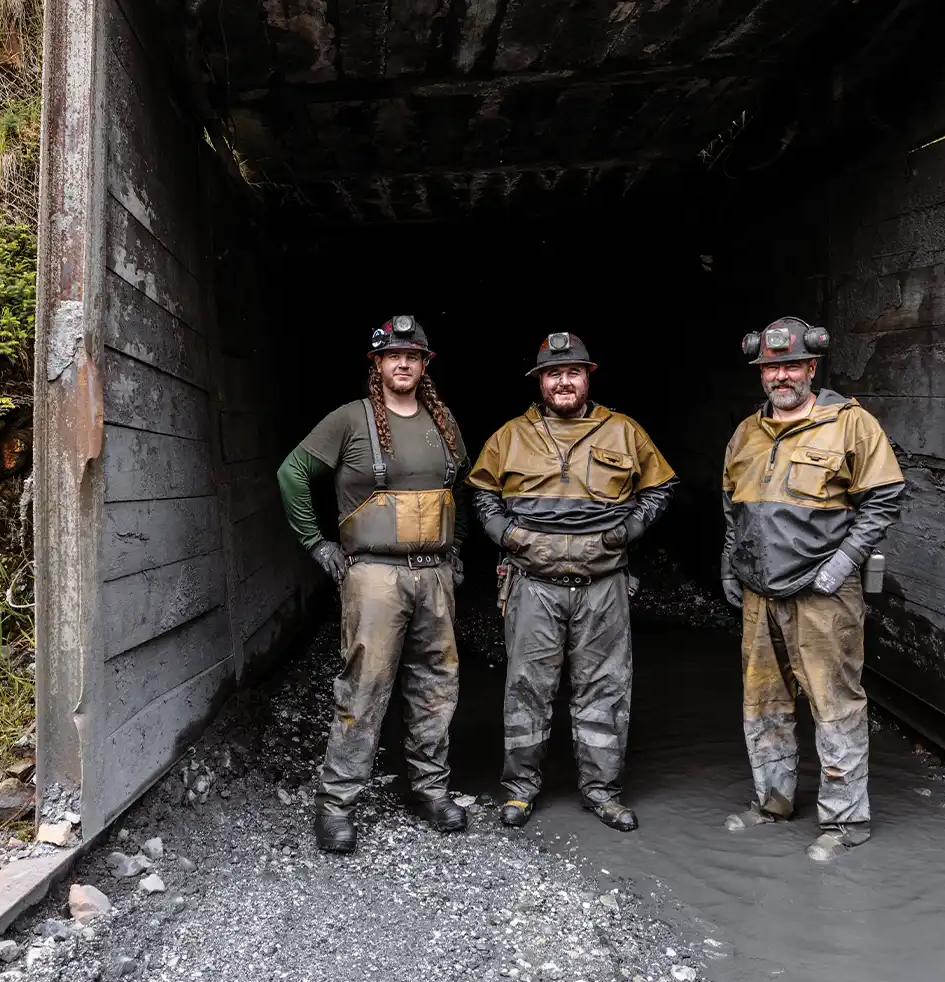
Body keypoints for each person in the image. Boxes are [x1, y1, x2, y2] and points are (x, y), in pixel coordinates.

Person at [469, 332, 678, 832]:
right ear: (540, 382)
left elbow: (662, 485)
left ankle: (601, 792)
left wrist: (629, 529)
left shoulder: (624, 431)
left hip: (603, 584)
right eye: (553, 374)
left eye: (573, 372)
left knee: (605, 686)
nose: (563, 381)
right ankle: (521, 790)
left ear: (588, 377)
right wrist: (509, 535)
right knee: (527, 687)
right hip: (532, 582)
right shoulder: (509, 436)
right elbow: (480, 493)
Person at [277, 316, 469, 856]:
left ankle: (429, 792)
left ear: (425, 364)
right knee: (364, 687)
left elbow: (463, 488)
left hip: (433, 572)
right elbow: (292, 474)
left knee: (436, 685)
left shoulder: (443, 421)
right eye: (392, 355)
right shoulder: (350, 420)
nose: (402, 362)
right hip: (374, 573)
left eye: (413, 355)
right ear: (377, 365)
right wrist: (318, 544)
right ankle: (336, 805)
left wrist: (457, 553)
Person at [721, 316, 905, 862]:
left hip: (822, 595)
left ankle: (846, 823)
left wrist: (843, 562)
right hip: (761, 594)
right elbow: (732, 508)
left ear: (811, 368)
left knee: (835, 705)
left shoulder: (851, 425)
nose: (781, 376)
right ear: (762, 374)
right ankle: (772, 802)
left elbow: (885, 498)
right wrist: (730, 566)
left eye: (791, 365)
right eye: (771, 367)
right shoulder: (746, 432)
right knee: (765, 702)